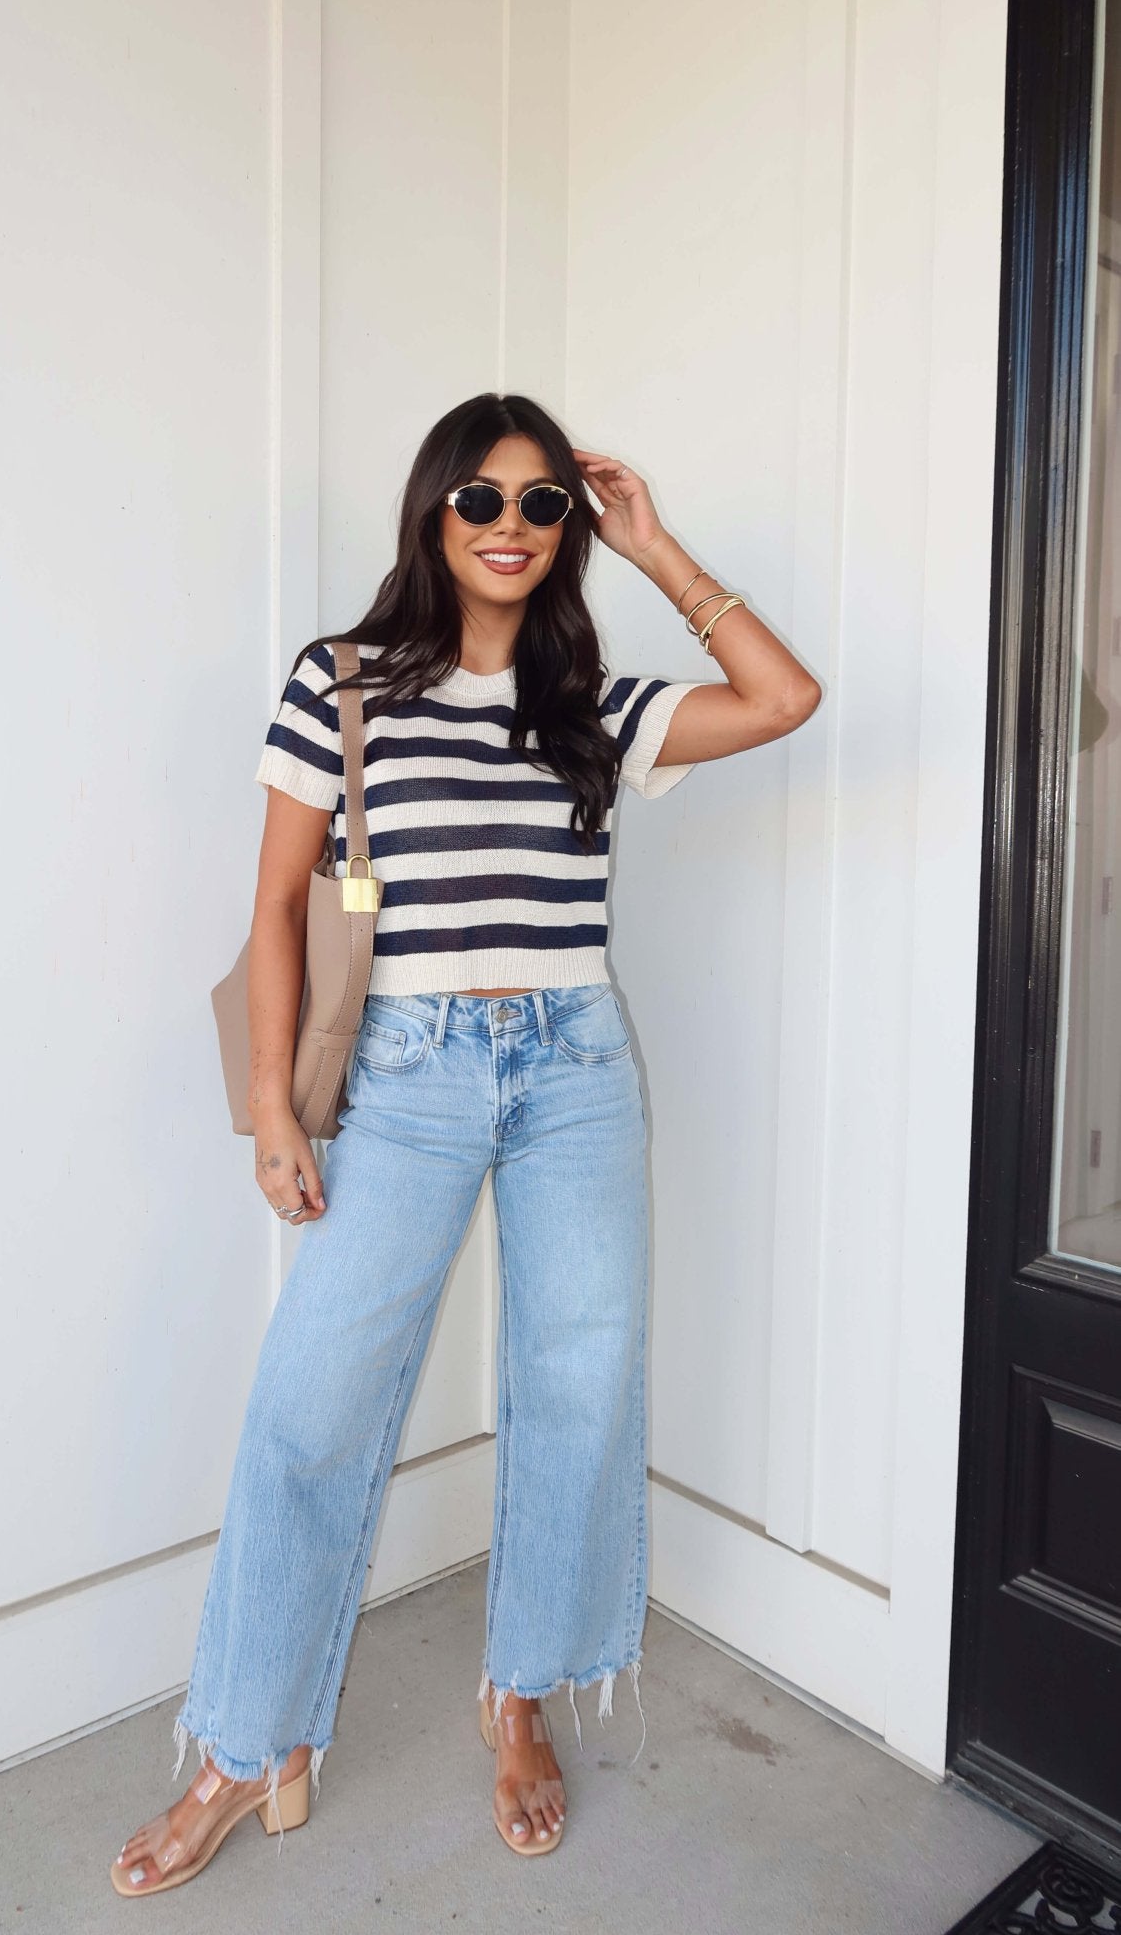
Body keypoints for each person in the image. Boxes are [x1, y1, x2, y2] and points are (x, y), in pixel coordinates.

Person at [111, 391, 821, 1896]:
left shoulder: (596, 706)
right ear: (434, 512)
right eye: (483, 498)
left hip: (574, 1064)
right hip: (408, 1072)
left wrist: (660, 549)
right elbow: (274, 909)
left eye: (543, 502)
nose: (511, 525)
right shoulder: (344, 682)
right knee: (311, 1410)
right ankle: (250, 1746)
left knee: (577, 1384)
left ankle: (520, 1694)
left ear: (570, 527)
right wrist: (270, 1114)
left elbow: (779, 698)